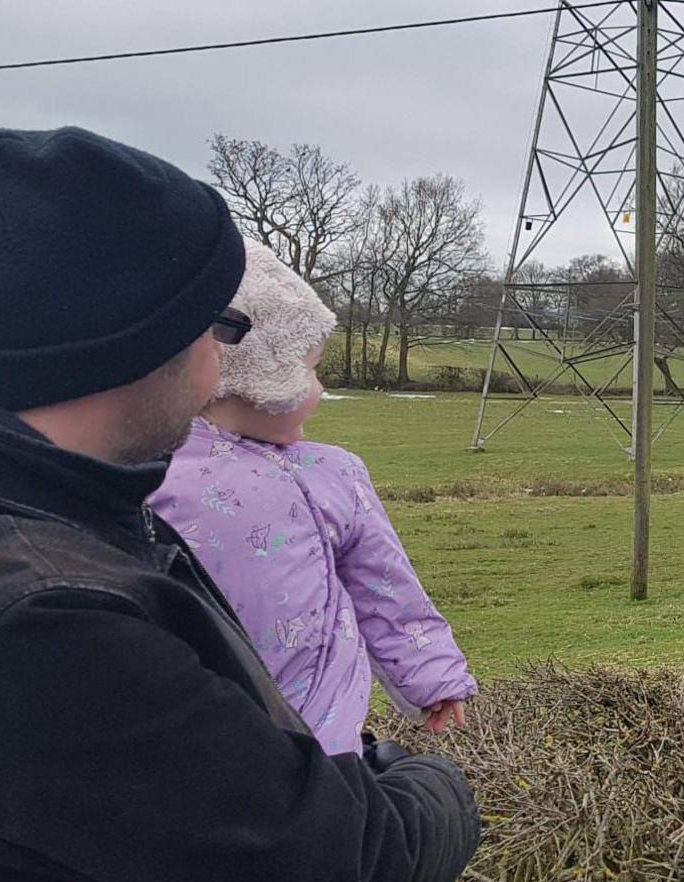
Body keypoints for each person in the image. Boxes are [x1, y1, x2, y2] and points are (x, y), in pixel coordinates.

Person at [0, 126, 478, 882]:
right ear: (135, 342)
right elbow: (336, 864)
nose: (221, 363)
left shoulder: (21, 510)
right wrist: (434, 781)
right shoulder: (46, 621)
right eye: (220, 328)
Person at [151, 243, 477, 755]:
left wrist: (431, 673)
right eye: (311, 369)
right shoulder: (147, 470)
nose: (320, 390)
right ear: (261, 368)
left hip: (326, 735)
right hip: (195, 733)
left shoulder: (332, 472)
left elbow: (383, 580)